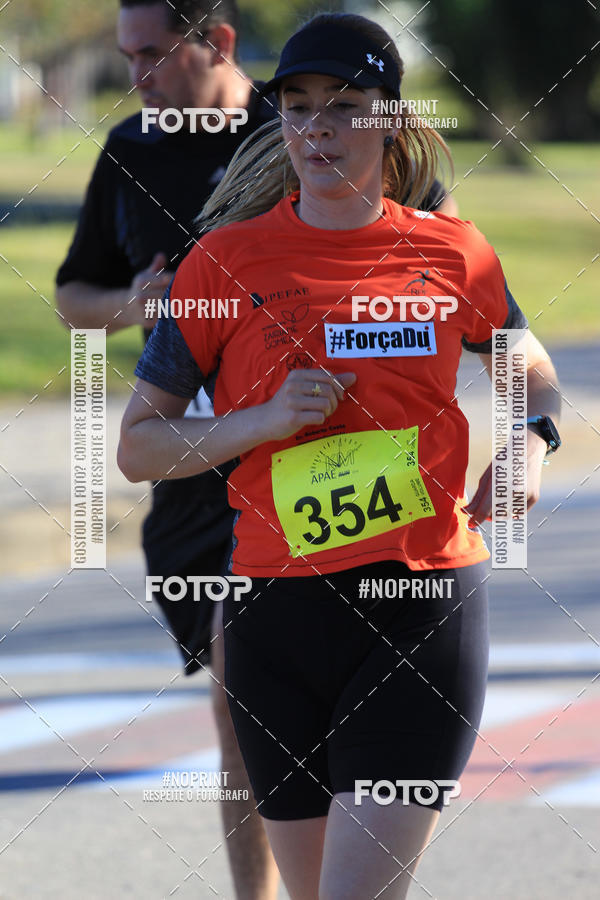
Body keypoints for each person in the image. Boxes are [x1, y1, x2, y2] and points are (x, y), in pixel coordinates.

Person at [117, 11, 558, 899]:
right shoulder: (222, 264)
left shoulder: (452, 252)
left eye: (347, 106)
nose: (318, 127)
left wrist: (534, 440)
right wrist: (263, 421)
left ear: (391, 119)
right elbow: (137, 447)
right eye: (300, 105)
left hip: (421, 600)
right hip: (274, 615)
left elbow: (529, 367)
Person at [55, 2, 282, 897]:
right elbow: (76, 292)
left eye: (152, 54)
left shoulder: (296, 125)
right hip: (189, 476)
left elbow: (430, 226)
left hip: (304, 464)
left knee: (277, 702)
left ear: (217, 42)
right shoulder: (132, 151)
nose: (137, 77)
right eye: (126, 57)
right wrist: (132, 307)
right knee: (240, 714)